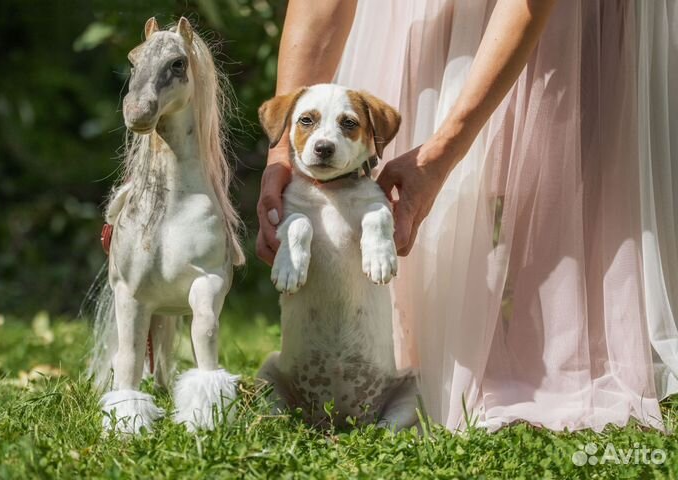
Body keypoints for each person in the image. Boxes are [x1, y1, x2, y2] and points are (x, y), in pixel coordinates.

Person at [257, 0, 678, 431]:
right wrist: (281, 156)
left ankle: (575, 357)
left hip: (561, 22)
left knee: (566, 186)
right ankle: (442, 358)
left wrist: (436, 160)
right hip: (424, 18)